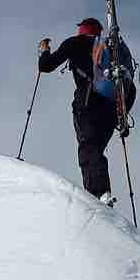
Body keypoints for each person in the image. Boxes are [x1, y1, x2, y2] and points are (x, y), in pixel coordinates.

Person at [38, 17, 123, 205]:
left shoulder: (74, 43)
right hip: (111, 107)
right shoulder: (108, 48)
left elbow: (46, 66)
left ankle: (98, 195)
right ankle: (101, 192)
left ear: (82, 30)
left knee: (88, 147)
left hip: (87, 101)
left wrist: (44, 50)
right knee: (96, 149)